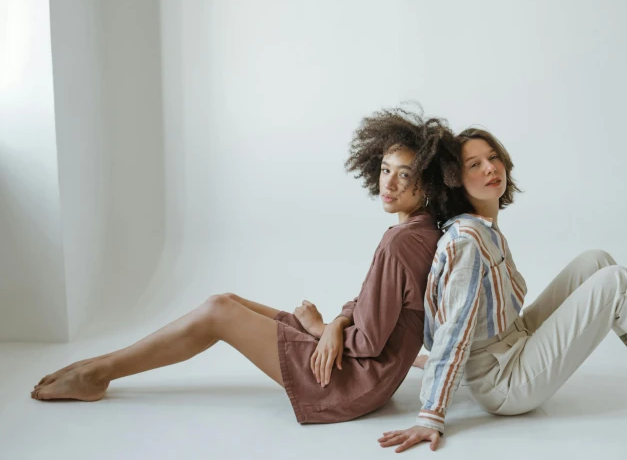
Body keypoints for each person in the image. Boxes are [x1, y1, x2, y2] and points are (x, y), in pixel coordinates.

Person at [32, 107, 458, 426]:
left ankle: (97, 372)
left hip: (351, 383)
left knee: (219, 311)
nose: (389, 183)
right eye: (385, 170)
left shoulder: (400, 242)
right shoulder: (423, 232)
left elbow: (366, 343)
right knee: (228, 301)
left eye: (406, 175)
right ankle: (99, 368)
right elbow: (378, 307)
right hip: (368, 376)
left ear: (428, 183)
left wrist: (319, 328)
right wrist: (337, 321)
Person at [379, 127, 627, 453]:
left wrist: (429, 364)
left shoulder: (481, 227)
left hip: (513, 344)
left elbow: (465, 319)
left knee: (596, 261)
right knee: (617, 284)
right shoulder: (467, 240)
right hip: (505, 383)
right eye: (474, 165)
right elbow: (453, 329)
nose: (490, 168)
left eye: (493, 157)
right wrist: (431, 415)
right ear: (455, 180)